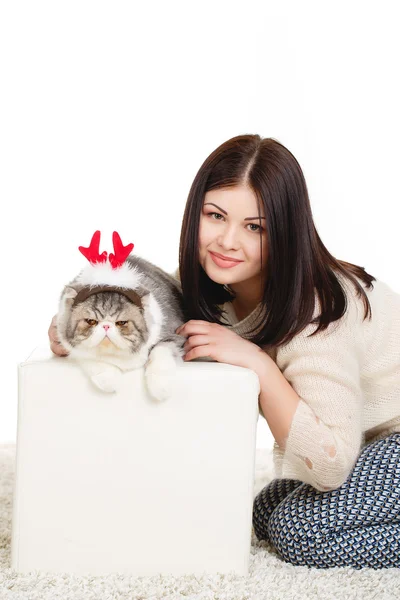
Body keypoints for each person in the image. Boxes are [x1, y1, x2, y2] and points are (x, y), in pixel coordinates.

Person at [49, 134, 400, 569]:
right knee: (260, 512)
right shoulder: (209, 287)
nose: (228, 241)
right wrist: (72, 326)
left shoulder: (320, 311)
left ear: (285, 233)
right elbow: (143, 318)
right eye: (216, 216)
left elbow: (329, 466)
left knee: (302, 532)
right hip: (364, 446)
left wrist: (257, 363)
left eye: (256, 227)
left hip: (392, 439)